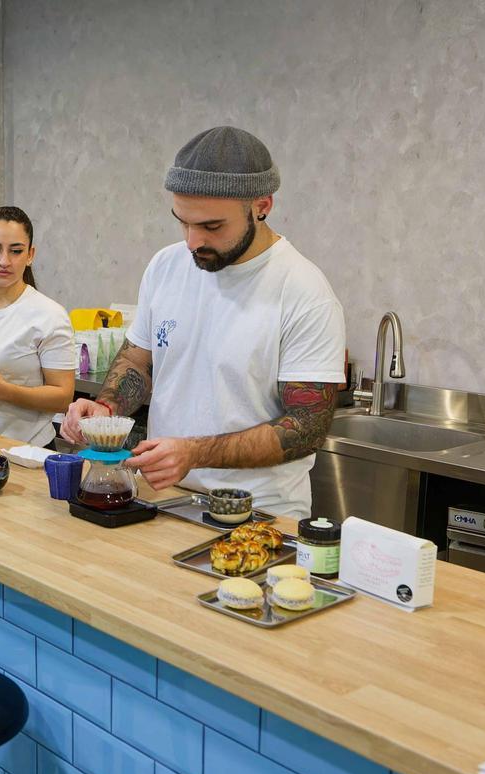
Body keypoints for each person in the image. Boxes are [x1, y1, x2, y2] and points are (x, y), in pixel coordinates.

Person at [60, 127, 346, 518]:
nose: (193, 241)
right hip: (164, 497)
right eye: (183, 222)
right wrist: (105, 411)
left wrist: (194, 453)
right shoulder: (165, 266)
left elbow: (308, 426)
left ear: (262, 205)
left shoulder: (303, 291)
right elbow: (136, 361)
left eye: (212, 227)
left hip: (259, 514)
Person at [0, 206, 76, 447]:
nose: (4, 261)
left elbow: (63, 397)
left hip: (28, 450)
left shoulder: (49, 315)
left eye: (16, 251)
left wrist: (2, 390)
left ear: (30, 255)